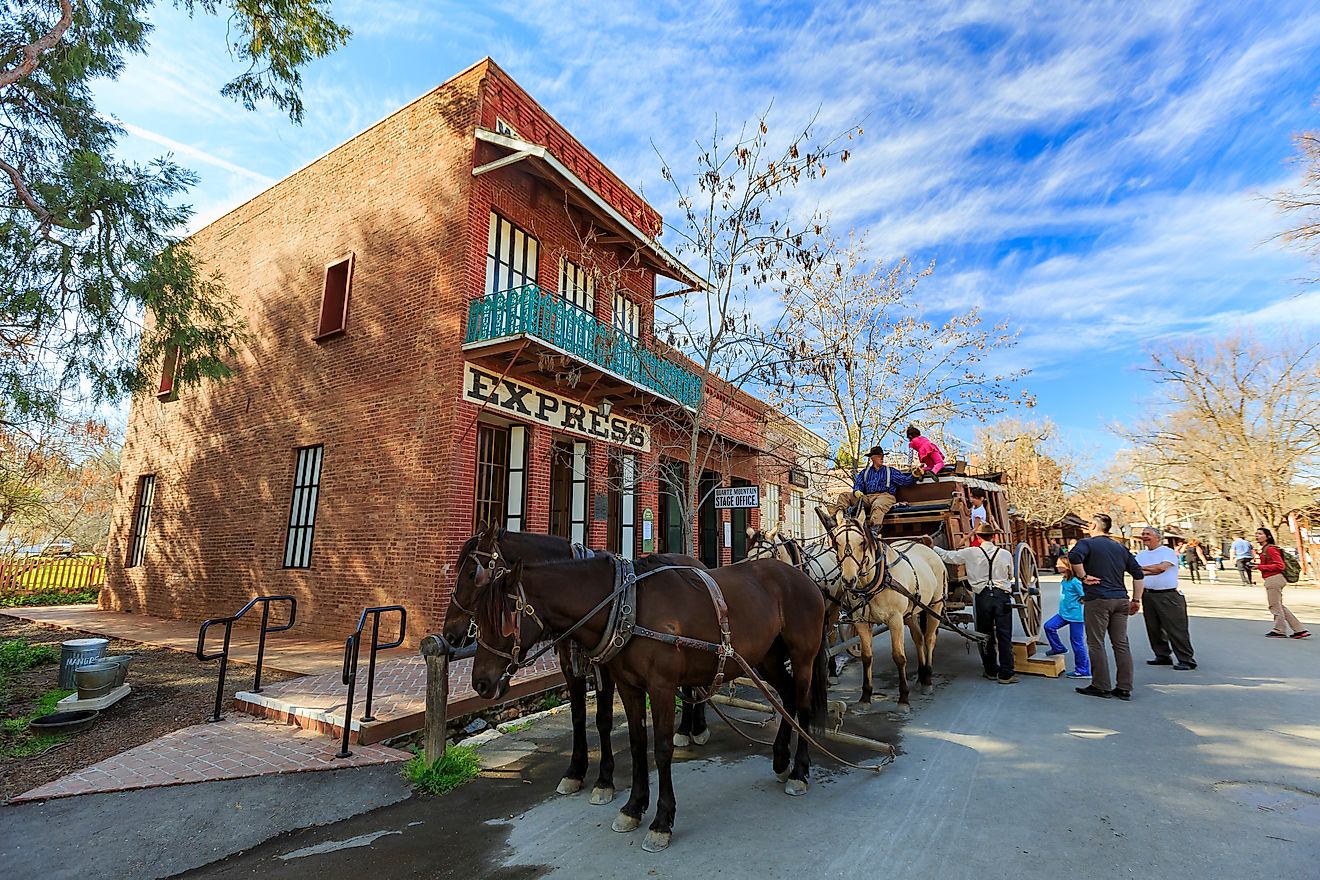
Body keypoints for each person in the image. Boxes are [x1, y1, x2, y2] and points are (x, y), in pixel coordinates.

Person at [1068, 513, 1145, 701]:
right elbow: (1138, 574)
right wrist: (1136, 600)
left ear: (1094, 525)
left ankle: (1100, 685)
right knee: (1121, 643)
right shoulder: (1120, 547)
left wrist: (1083, 576)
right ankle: (1124, 687)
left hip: (1098, 598)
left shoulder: (1086, 543)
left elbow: (1074, 556)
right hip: (1120, 599)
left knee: (1096, 642)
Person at [929, 522, 1017, 683]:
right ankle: (1006, 674)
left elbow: (948, 556)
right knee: (1004, 635)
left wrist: (932, 546)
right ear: (994, 537)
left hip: (982, 597)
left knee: (985, 634)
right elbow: (1010, 575)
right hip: (1001, 596)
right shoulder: (1005, 554)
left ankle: (990, 670)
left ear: (978, 537)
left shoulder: (971, 552)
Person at [1136, 526, 1197, 669]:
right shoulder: (1141, 555)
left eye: (1148, 534)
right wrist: (1151, 570)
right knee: (1153, 628)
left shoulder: (1167, 552)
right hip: (1148, 594)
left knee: (1176, 628)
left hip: (1168, 595)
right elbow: (1135, 571)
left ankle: (1186, 659)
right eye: (1143, 534)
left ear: (1158, 537)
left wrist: (1145, 569)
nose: (1144, 536)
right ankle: (1162, 655)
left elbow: (1161, 568)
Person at [830, 446, 915, 531]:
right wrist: (857, 491)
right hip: (867, 497)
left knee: (878, 505)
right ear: (872, 458)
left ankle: (874, 530)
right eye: (879, 456)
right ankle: (838, 518)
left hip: (885, 496)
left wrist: (915, 474)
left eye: (882, 456)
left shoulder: (890, 471)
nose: (882, 458)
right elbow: (858, 484)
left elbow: (905, 481)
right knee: (844, 496)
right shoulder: (864, 472)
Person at [1256, 527, 1311, 640]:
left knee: (1274, 605)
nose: (1257, 536)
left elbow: (1280, 565)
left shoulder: (1271, 549)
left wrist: (1260, 567)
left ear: (1268, 536)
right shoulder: (1265, 549)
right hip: (1272, 578)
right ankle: (1299, 630)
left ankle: (1279, 630)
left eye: (1260, 534)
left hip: (1274, 578)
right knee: (1279, 606)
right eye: (1256, 534)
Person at [1043, 557, 1090, 679]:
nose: (1056, 566)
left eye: (1059, 564)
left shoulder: (1075, 581)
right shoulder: (1064, 580)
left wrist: (1080, 602)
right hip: (1063, 613)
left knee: (1077, 643)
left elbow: (1085, 595)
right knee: (1049, 626)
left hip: (1076, 617)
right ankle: (1058, 647)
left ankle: (1083, 670)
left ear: (1067, 567)